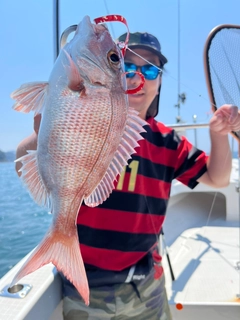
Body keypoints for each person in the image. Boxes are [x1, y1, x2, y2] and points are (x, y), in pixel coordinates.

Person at [15, 31, 240, 320]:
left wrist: (218, 134)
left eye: (149, 68)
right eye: (127, 65)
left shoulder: (168, 142)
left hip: (147, 283)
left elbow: (218, 179)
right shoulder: (90, 120)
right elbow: (22, 163)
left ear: (159, 83)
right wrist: (48, 133)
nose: (137, 76)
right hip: (85, 282)